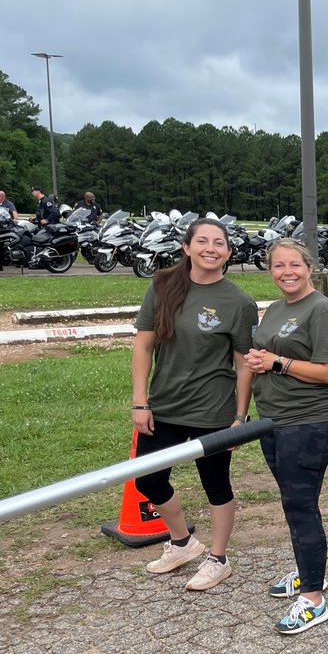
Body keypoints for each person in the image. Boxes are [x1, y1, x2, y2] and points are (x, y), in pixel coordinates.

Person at [131, 218, 258, 591]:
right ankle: (183, 542)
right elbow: (143, 345)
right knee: (148, 479)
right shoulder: (162, 287)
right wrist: (141, 403)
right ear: (186, 247)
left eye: (219, 243)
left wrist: (240, 418)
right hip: (165, 405)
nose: (210, 248)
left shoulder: (238, 302)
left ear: (228, 253)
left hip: (213, 410)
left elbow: (243, 363)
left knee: (215, 483)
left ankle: (218, 559)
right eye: (201, 241)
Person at [245, 239, 328, 635]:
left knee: (300, 505)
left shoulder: (323, 310)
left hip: (308, 423)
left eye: (294, 265)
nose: (286, 271)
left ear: (308, 267)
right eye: (278, 266)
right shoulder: (274, 309)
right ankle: (308, 571)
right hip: (274, 421)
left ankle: (314, 599)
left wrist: (277, 362)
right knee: (295, 503)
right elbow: (258, 358)